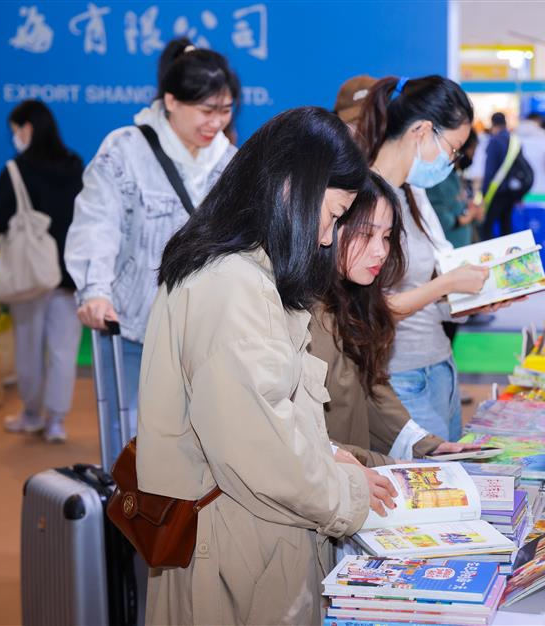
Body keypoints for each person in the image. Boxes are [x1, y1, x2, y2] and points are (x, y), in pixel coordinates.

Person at [137, 107, 397, 624]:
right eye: (333, 215)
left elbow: (259, 411)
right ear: (290, 191)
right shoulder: (234, 287)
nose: (328, 237)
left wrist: (324, 455)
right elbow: (258, 460)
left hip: (245, 538)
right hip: (237, 553)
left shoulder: (242, 270)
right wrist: (347, 494)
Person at [64, 38, 238, 465]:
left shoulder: (231, 162)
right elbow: (97, 223)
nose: (216, 122)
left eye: (226, 110)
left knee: (202, 453)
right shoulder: (125, 150)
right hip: (134, 331)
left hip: (205, 337)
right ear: (171, 100)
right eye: (206, 110)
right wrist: (94, 291)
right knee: (132, 451)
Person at [354, 75, 494, 440]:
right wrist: (447, 284)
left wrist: (473, 298)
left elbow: (424, 290)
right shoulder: (364, 199)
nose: (452, 161)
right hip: (398, 380)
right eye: (452, 148)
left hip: (439, 367)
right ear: (421, 131)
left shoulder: (412, 193)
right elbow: (372, 309)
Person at [309, 174, 480, 465]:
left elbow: (370, 386)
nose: (381, 251)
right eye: (366, 234)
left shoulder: (352, 297)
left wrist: (423, 445)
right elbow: (306, 441)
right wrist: (385, 464)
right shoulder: (300, 310)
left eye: (387, 237)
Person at [0, 100, 84, 443]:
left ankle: (31, 414)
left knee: (28, 349)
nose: (14, 137)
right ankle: (56, 421)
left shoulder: (17, 169)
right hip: (69, 275)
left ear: (26, 128)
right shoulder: (75, 165)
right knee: (63, 351)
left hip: (29, 276)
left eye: (15, 130)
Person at [426, 129, 481, 249]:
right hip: (449, 250)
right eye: (472, 150)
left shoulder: (455, 176)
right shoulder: (439, 178)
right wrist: (461, 220)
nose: (473, 155)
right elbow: (437, 215)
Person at [481, 112, 516, 239]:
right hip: (511, 192)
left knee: (486, 228)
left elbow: (489, 170)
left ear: (493, 124)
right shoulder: (514, 141)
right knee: (506, 227)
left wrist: (484, 193)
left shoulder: (495, 141)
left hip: (495, 192)